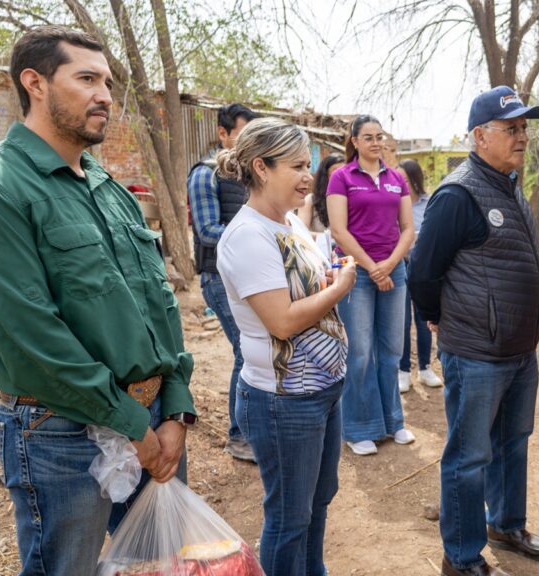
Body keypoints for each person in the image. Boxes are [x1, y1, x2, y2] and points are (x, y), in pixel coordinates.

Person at [0, 25, 195, 574]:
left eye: (108, 82)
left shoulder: (106, 187)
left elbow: (159, 303)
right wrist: (130, 424)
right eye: (86, 79)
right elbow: (28, 333)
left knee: (163, 564)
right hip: (60, 431)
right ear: (34, 83)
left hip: (155, 417)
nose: (106, 96)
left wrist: (175, 406)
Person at [409, 85, 539, 576]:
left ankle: (507, 524)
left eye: (524, 128)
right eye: (511, 128)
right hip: (476, 352)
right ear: (479, 136)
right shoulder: (458, 193)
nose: (522, 137)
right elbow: (423, 271)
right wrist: (437, 316)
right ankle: (462, 556)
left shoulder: (509, 185)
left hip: (519, 351)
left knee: (514, 443)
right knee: (469, 457)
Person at [215, 117, 357, 576]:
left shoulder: (288, 222)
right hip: (284, 401)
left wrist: (327, 280)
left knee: (318, 502)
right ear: (261, 167)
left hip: (320, 391)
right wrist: (341, 289)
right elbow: (281, 321)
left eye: (309, 164)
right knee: (290, 518)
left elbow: (302, 290)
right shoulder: (248, 236)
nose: (308, 175)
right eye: (296, 166)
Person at [326, 115, 416, 456]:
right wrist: (372, 268)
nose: (375, 142)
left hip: (394, 271)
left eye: (380, 136)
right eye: (368, 137)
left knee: (392, 348)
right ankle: (359, 428)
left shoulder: (396, 179)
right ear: (354, 141)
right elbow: (339, 231)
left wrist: (389, 265)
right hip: (356, 273)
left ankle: (393, 422)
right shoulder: (341, 178)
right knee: (361, 352)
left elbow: (407, 227)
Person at [187, 102, 259, 462]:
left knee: (253, 351)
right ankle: (238, 436)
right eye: (243, 135)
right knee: (245, 352)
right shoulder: (205, 174)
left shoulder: (245, 175)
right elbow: (208, 231)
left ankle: (249, 431)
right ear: (223, 134)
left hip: (246, 276)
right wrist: (257, 233)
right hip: (219, 278)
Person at [396, 158, 442, 392]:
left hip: (423, 267)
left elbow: (431, 233)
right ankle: (403, 370)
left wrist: (411, 235)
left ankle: (425, 368)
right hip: (400, 264)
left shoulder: (430, 202)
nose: (399, 183)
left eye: (404, 179)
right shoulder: (393, 203)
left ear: (415, 179)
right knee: (402, 321)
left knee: (424, 319)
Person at [298, 153, 344, 234]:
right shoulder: (310, 200)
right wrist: (331, 239)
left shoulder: (352, 200)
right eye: (336, 172)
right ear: (325, 175)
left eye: (344, 171)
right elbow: (301, 233)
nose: (341, 176)